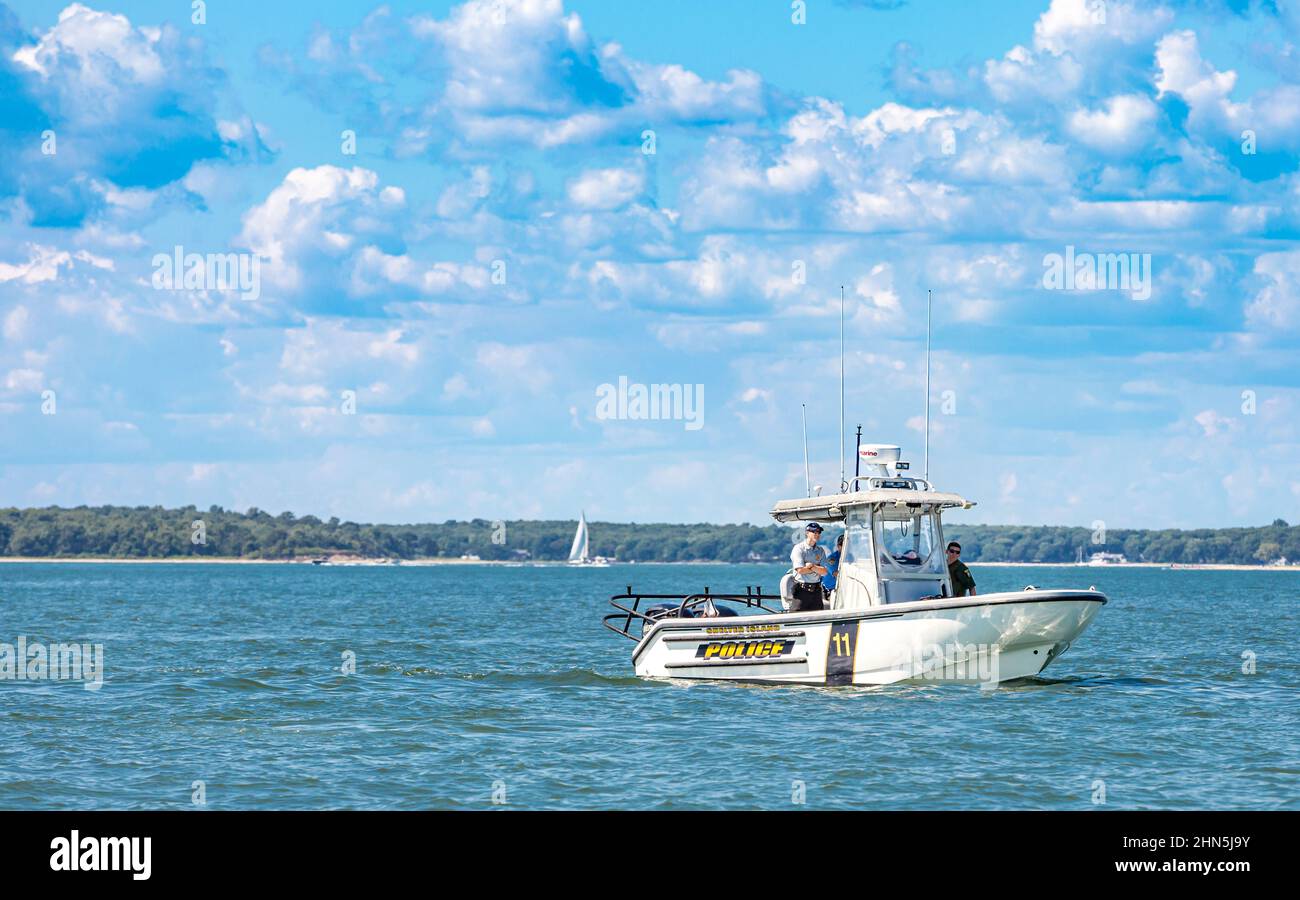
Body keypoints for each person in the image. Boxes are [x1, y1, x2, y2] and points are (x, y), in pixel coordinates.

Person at [790, 523, 829, 611]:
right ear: (807, 533)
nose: (817, 534)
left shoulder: (820, 550)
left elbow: (825, 572)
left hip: (817, 592)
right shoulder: (799, 548)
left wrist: (811, 566)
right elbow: (800, 570)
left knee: (818, 619)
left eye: (818, 532)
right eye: (814, 532)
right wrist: (817, 568)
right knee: (797, 619)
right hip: (801, 591)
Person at [822, 533, 845, 598]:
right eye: (845, 546)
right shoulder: (832, 559)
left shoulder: (850, 557)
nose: (847, 548)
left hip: (843, 587)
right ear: (838, 546)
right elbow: (836, 574)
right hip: (831, 589)